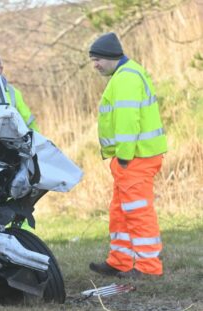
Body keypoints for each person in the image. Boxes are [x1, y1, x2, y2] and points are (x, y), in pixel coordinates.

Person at [87, 32, 167, 278]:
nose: (96, 65)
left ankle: (148, 268)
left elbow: (127, 120)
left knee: (137, 212)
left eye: (98, 59)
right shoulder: (125, 74)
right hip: (133, 157)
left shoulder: (126, 78)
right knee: (120, 211)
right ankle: (119, 262)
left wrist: (123, 156)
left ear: (111, 57)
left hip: (134, 159)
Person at [0, 53, 39, 132]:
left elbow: (28, 119)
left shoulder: (13, 93)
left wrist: (36, 139)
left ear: (1, 69)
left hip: (8, 141)